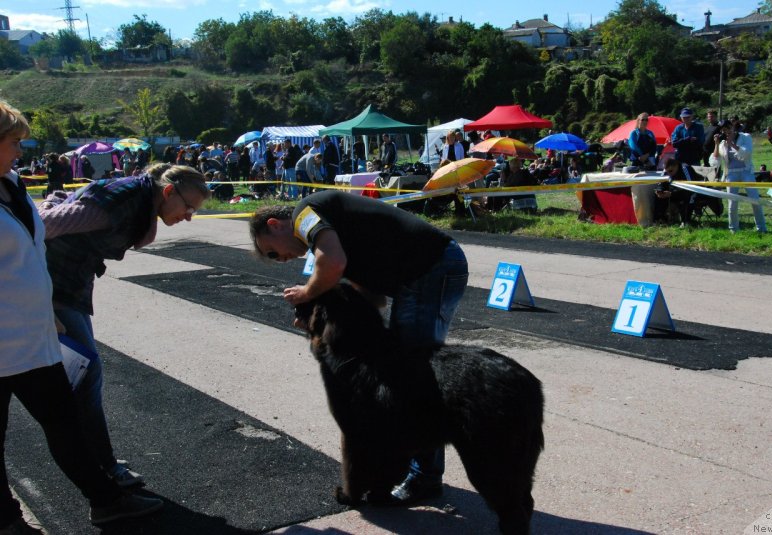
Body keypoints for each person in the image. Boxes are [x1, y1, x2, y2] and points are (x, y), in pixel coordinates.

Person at [0, 99, 163, 532]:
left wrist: (45, 312)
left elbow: (33, 248)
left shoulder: (11, 185)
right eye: (14, 142)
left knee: (65, 421)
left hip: (31, 334)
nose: (21, 151)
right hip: (4, 337)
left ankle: (106, 499)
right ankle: (9, 519)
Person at [249, 190, 468, 505]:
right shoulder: (339, 232)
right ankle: (416, 467)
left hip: (431, 268)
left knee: (411, 376)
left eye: (272, 252)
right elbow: (373, 300)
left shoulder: (304, 213)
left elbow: (333, 264)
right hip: (432, 267)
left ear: (275, 224)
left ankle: (425, 477)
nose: (281, 260)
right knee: (404, 371)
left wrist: (307, 294)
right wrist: (317, 322)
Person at [38, 163, 211, 488]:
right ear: (169, 191)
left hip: (69, 285)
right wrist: (39, 303)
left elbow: (63, 203)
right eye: (189, 207)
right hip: (52, 286)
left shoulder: (139, 198)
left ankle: (98, 464)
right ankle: (103, 470)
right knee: (84, 377)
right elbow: (43, 225)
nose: (189, 216)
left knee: (82, 378)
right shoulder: (122, 202)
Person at [710, 119, 767, 234]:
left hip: (746, 171)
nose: (727, 132)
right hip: (731, 173)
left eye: (728, 129)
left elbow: (747, 154)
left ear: (733, 127)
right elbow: (715, 162)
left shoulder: (745, 137)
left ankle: (761, 228)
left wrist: (732, 144)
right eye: (724, 131)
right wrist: (716, 144)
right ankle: (734, 229)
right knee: (732, 203)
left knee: (754, 199)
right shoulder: (722, 144)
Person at [655, 158, 701, 227]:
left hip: (692, 191)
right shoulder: (667, 170)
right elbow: (661, 182)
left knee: (686, 198)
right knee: (657, 197)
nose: (669, 174)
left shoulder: (685, 168)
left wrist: (672, 194)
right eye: (667, 172)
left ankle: (685, 221)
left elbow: (690, 188)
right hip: (674, 192)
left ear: (676, 166)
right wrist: (659, 191)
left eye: (670, 171)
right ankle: (660, 220)